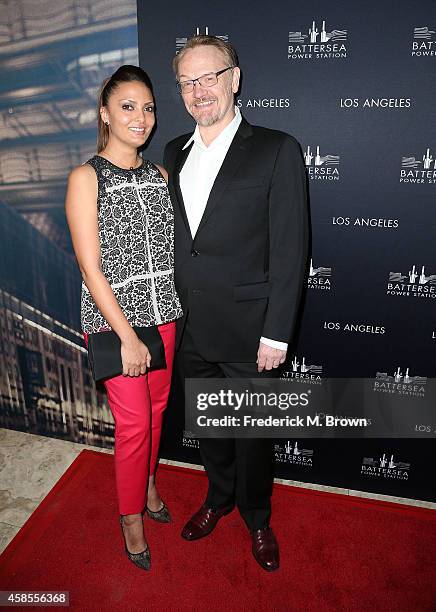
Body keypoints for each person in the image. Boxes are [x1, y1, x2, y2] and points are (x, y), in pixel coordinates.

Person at [164, 36, 308, 572]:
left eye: (210, 77)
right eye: (187, 82)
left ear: (235, 78)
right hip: (194, 324)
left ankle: (257, 515)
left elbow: (291, 247)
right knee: (211, 427)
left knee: (252, 435)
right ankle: (217, 498)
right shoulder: (174, 149)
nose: (200, 91)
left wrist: (277, 332)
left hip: (252, 330)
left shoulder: (276, 148)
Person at [65, 65, 182, 571]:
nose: (141, 118)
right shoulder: (85, 177)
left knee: (156, 416)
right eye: (128, 106)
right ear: (105, 113)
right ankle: (130, 519)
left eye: (149, 107)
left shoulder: (159, 176)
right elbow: (91, 268)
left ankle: (150, 484)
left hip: (167, 318)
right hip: (118, 326)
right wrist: (129, 337)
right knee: (133, 427)